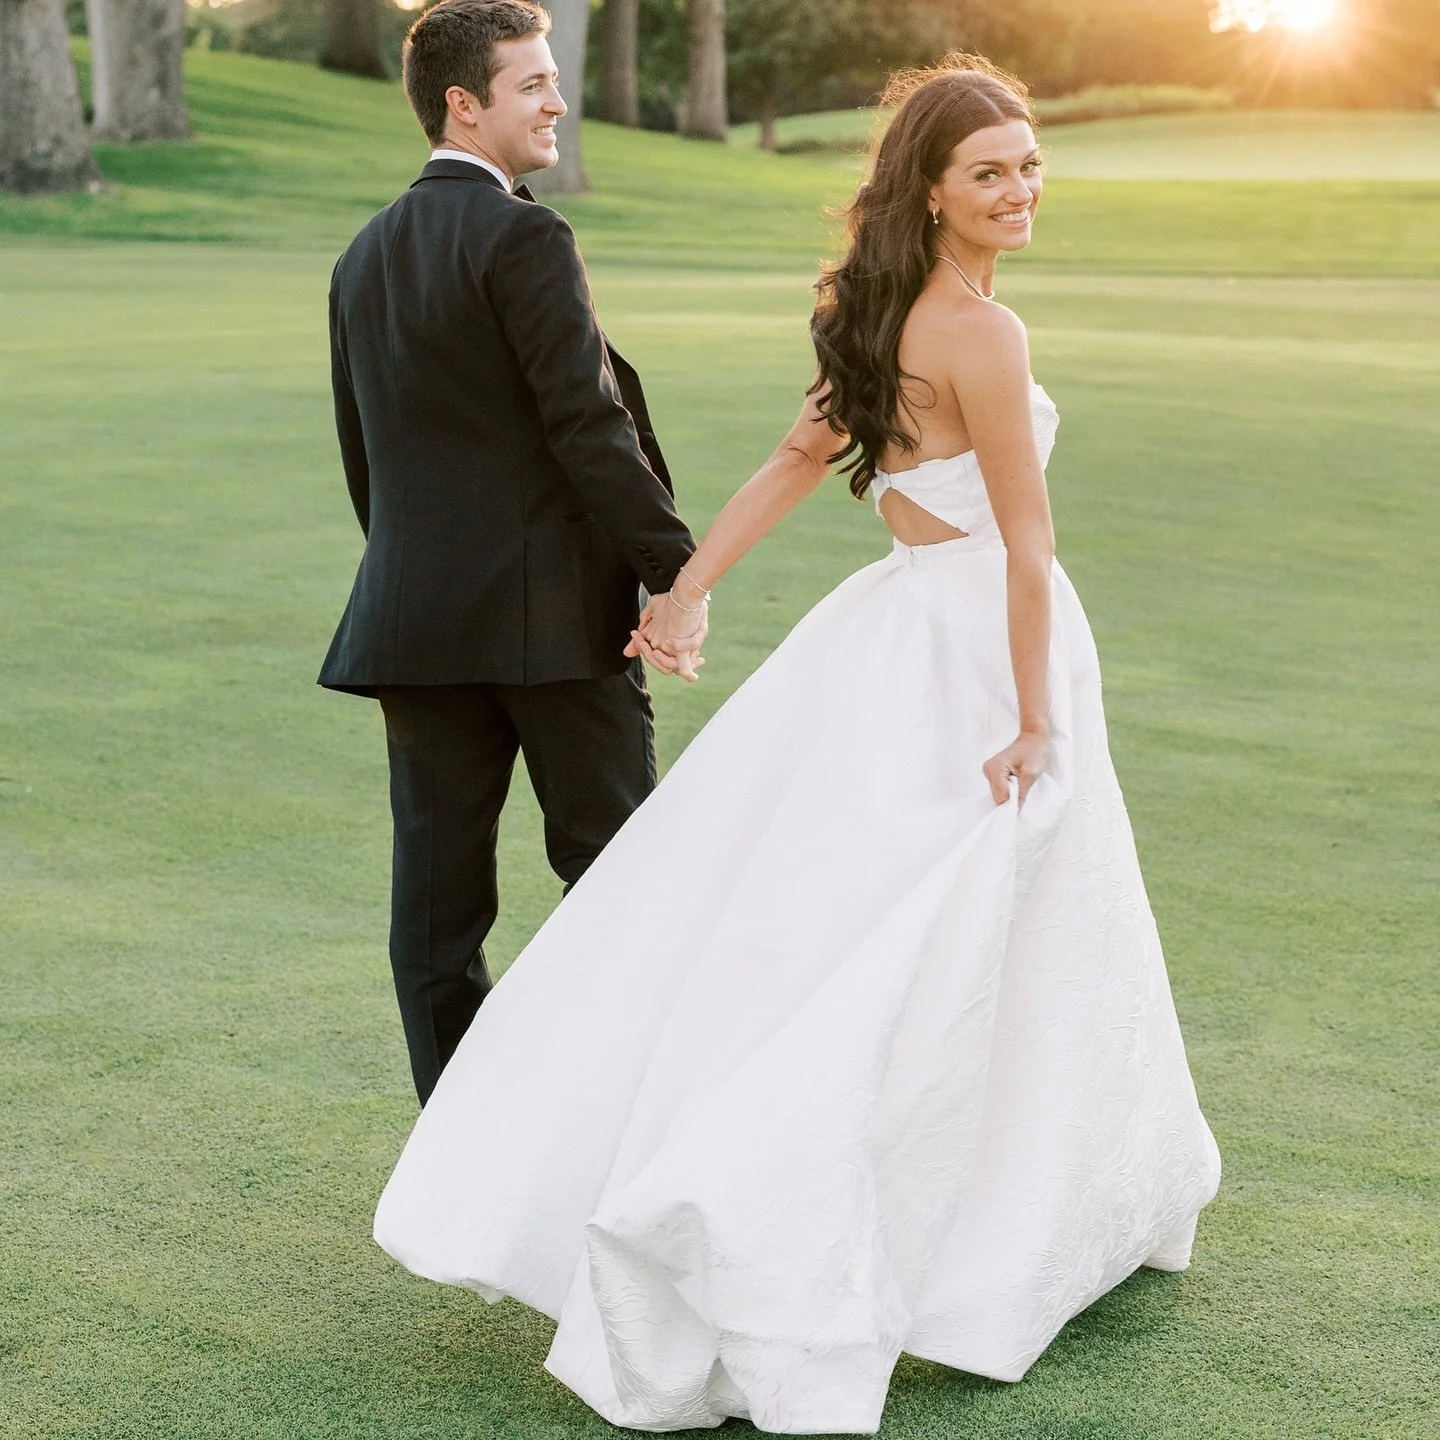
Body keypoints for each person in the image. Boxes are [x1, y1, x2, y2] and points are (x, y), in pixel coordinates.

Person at [374, 54, 1222, 1435]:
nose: (1020, 190)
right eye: (989, 172)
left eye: (1030, 166)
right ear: (930, 190)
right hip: (978, 647)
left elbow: (788, 464)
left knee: (908, 920)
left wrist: (687, 588)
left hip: (893, 628)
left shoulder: (873, 314)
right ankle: (899, 1217)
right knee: (973, 921)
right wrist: (1034, 718)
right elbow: (1026, 546)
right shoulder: (983, 334)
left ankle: (1013, 1199)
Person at [318, 0, 697, 1105]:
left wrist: (422, 578)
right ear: (463, 103)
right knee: (618, 878)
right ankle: (609, 1122)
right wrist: (677, 571)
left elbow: (366, 464)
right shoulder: (527, 235)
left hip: (417, 624)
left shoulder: (360, 255)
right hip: (558, 628)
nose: (557, 102)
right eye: (532, 84)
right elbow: (588, 425)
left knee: (436, 907)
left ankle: (461, 1148)